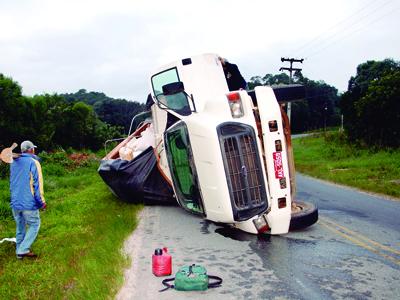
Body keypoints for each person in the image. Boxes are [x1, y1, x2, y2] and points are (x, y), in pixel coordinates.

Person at [10, 140, 46, 259]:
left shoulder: (13, 162)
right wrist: (41, 202)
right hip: (28, 203)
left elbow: (12, 183)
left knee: (20, 226)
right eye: (33, 148)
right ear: (31, 150)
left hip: (15, 202)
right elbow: (37, 185)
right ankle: (23, 249)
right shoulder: (33, 162)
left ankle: (19, 253)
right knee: (35, 224)